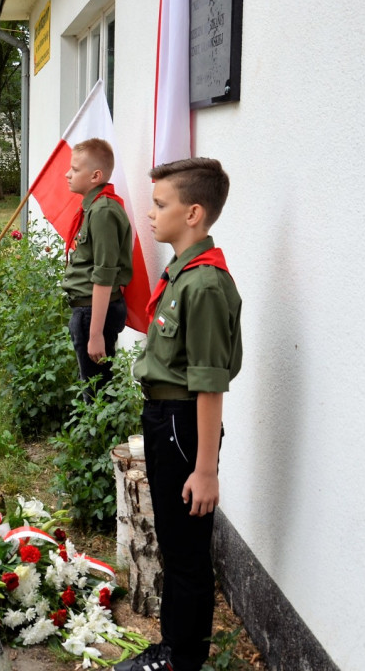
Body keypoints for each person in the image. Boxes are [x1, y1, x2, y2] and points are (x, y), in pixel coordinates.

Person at [115, 158, 242, 671]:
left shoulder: (205, 285)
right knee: (172, 540)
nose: (150, 214)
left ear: (193, 213)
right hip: (166, 418)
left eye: (161, 204)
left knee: (186, 552)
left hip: (184, 425)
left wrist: (205, 470)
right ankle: (173, 647)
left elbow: (210, 386)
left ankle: (181, 660)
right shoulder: (182, 273)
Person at [61, 138, 133, 395]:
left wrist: (95, 335)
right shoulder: (94, 208)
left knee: (97, 394)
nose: (68, 174)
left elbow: (104, 275)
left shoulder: (102, 211)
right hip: (89, 311)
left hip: (94, 313)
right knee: (92, 387)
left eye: (75, 169)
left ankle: (101, 437)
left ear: (95, 175)